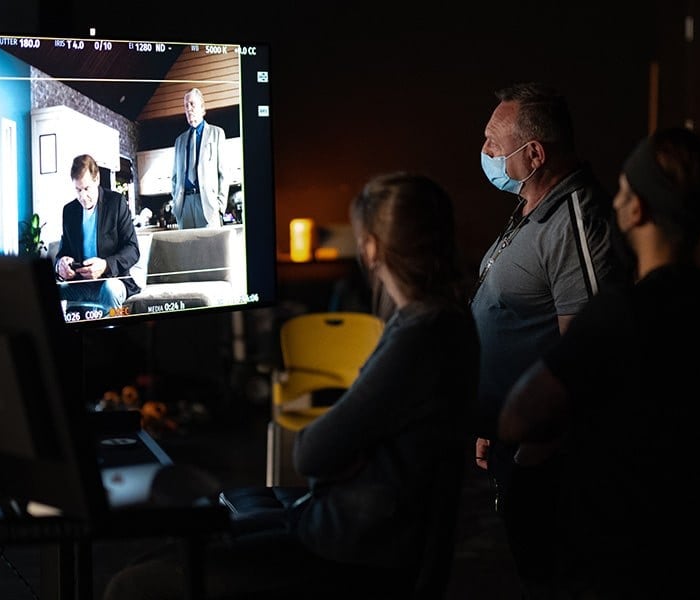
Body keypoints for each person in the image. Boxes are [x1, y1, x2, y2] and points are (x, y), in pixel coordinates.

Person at [102, 172, 479, 599]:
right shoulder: (447, 322)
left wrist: (346, 446)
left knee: (131, 586)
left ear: (372, 248)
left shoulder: (418, 335)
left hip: (347, 552)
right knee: (154, 563)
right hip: (361, 535)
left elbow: (311, 451)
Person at [498, 126, 700, 598]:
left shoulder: (621, 313)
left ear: (638, 209)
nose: (614, 202)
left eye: (625, 191)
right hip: (692, 552)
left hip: (617, 559)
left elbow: (518, 416)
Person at [470, 82, 626, 597]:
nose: (486, 152)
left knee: (554, 575)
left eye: (495, 142)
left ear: (534, 154)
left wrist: (534, 453)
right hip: (512, 436)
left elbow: (587, 354)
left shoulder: (577, 218)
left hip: (546, 458)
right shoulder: (534, 205)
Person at [54, 154, 140, 315]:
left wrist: (106, 265)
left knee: (110, 289)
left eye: (86, 189)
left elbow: (133, 250)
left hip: (112, 281)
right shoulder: (69, 211)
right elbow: (62, 253)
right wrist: (61, 265)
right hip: (80, 284)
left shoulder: (116, 203)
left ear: (97, 179)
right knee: (49, 291)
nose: (82, 197)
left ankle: (111, 339)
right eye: (78, 190)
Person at [171, 87, 228, 229]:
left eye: (192, 104)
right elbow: (174, 177)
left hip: (209, 205)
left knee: (210, 250)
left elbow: (224, 174)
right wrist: (177, 204)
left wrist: (220, 206)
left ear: (202, 107)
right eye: (186, 106)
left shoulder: (217, 133)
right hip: (185, 206)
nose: (188, 109)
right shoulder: (179, 141)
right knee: (187, 251)